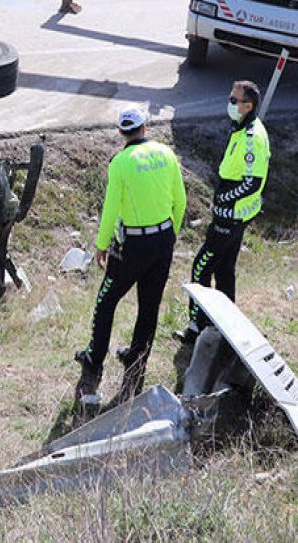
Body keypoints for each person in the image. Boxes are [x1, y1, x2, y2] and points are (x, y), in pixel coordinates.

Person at [74, 107, 187, 409]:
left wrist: (101, 244)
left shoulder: (120, 163)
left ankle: (94, 361)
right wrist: (170, 236)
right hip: (163, 240)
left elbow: (111, 208)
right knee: (149, 306)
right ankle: (136, 364)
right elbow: (180, 200)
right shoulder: (166, 154)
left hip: (133, 246)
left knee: (106, 301)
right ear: (145, 128)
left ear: (121, 132)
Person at [174, 80, 271, 345]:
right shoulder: (243, 127)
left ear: (248, 106)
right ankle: (226, 328)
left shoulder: (252, 137)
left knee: (201, 267)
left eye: (233, 100)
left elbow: (252, 182)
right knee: (225, 269)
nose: (229, 104)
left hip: (232, 216)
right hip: (236, 214)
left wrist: (223, 201)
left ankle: (197, 327)